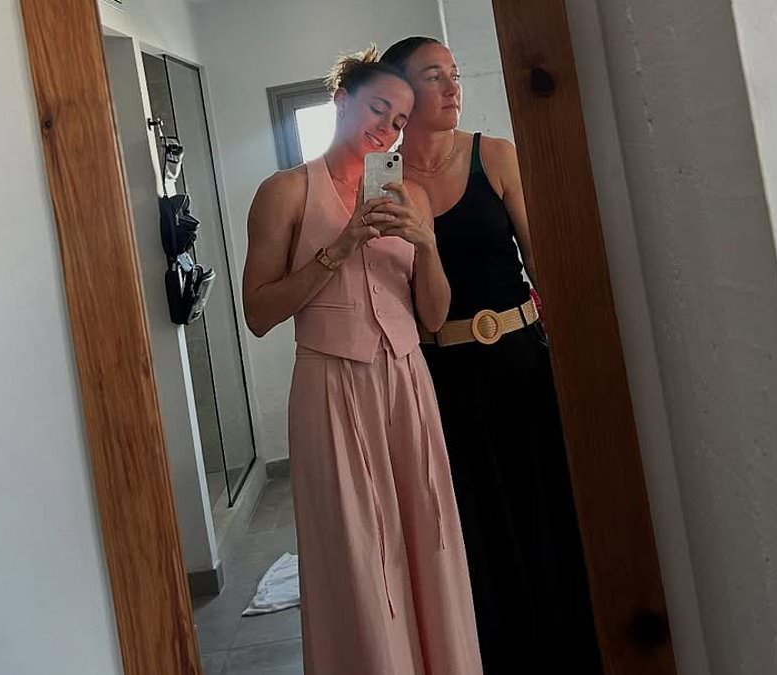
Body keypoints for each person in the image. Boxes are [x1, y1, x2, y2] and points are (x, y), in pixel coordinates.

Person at [241, 47, 483, 675]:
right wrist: (340, 245)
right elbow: (259, 313)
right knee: (354, 549)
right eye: (378, 109)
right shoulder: (285, 192)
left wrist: (426, 246)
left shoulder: (410, 197)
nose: (388, 129)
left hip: (407, 381)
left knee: (428, 535)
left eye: (400, 120)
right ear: (341, 99)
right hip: (329, 386)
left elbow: (433, 316)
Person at [381, 37, 602, 674]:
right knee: (471, 522)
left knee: (544, 506)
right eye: (434, 76)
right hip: (441, 376)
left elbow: (542, 261)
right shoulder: (385, 182)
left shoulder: (494, 155)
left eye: (454, 74)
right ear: (400, 92)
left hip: (520, 362)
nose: (453, 87)